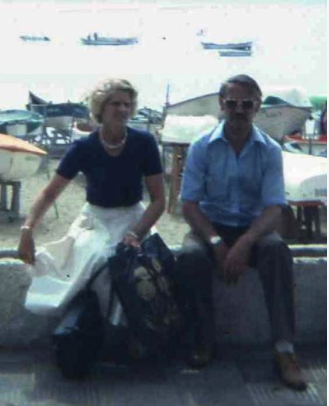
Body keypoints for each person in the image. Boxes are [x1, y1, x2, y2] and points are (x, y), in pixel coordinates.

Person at [176, 74, 307, 391]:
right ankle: (202, 340)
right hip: (211, 226)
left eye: (246, 104)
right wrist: (217, 241)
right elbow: (189, 204)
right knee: (190, 256)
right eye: (231, 103)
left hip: (253, 229)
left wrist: (246, 241)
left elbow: (274, 207)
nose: (238, 110)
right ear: (221, 105)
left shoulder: (270, 150)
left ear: (257, 107)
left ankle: (284, 349)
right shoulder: (202, 147)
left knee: (277, 252)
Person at [18, 78, 165, 322]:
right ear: (100, 108)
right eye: (115, 103)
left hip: (134, 219)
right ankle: (99, 333)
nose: (122, 110)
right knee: (97, 258)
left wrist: (137, 233)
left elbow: (159, 200)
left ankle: (129, 334)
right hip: (96, 219)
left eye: (127, 104)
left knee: (126, 263)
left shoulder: (144, 143)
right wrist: (27, 229)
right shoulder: (84, 147)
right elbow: (49, 193)